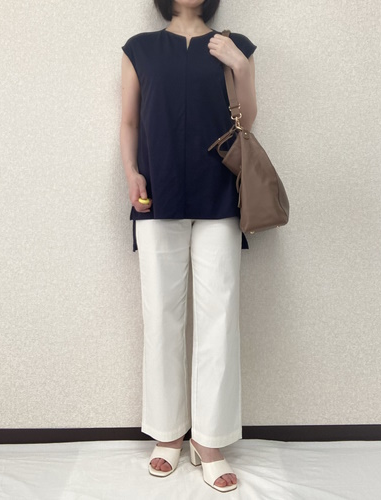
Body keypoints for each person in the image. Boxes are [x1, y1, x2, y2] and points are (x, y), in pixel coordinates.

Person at [120, 0, 257, 493]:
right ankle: (167, 434)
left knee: (219, 317)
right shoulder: (139, 48)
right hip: (156, 192)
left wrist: (240, 67)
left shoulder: (234, 46)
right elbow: (129, 122)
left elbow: (248, 121)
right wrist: (131, 173)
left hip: (220, 193)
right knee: (161, 315)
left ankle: (211, 440)